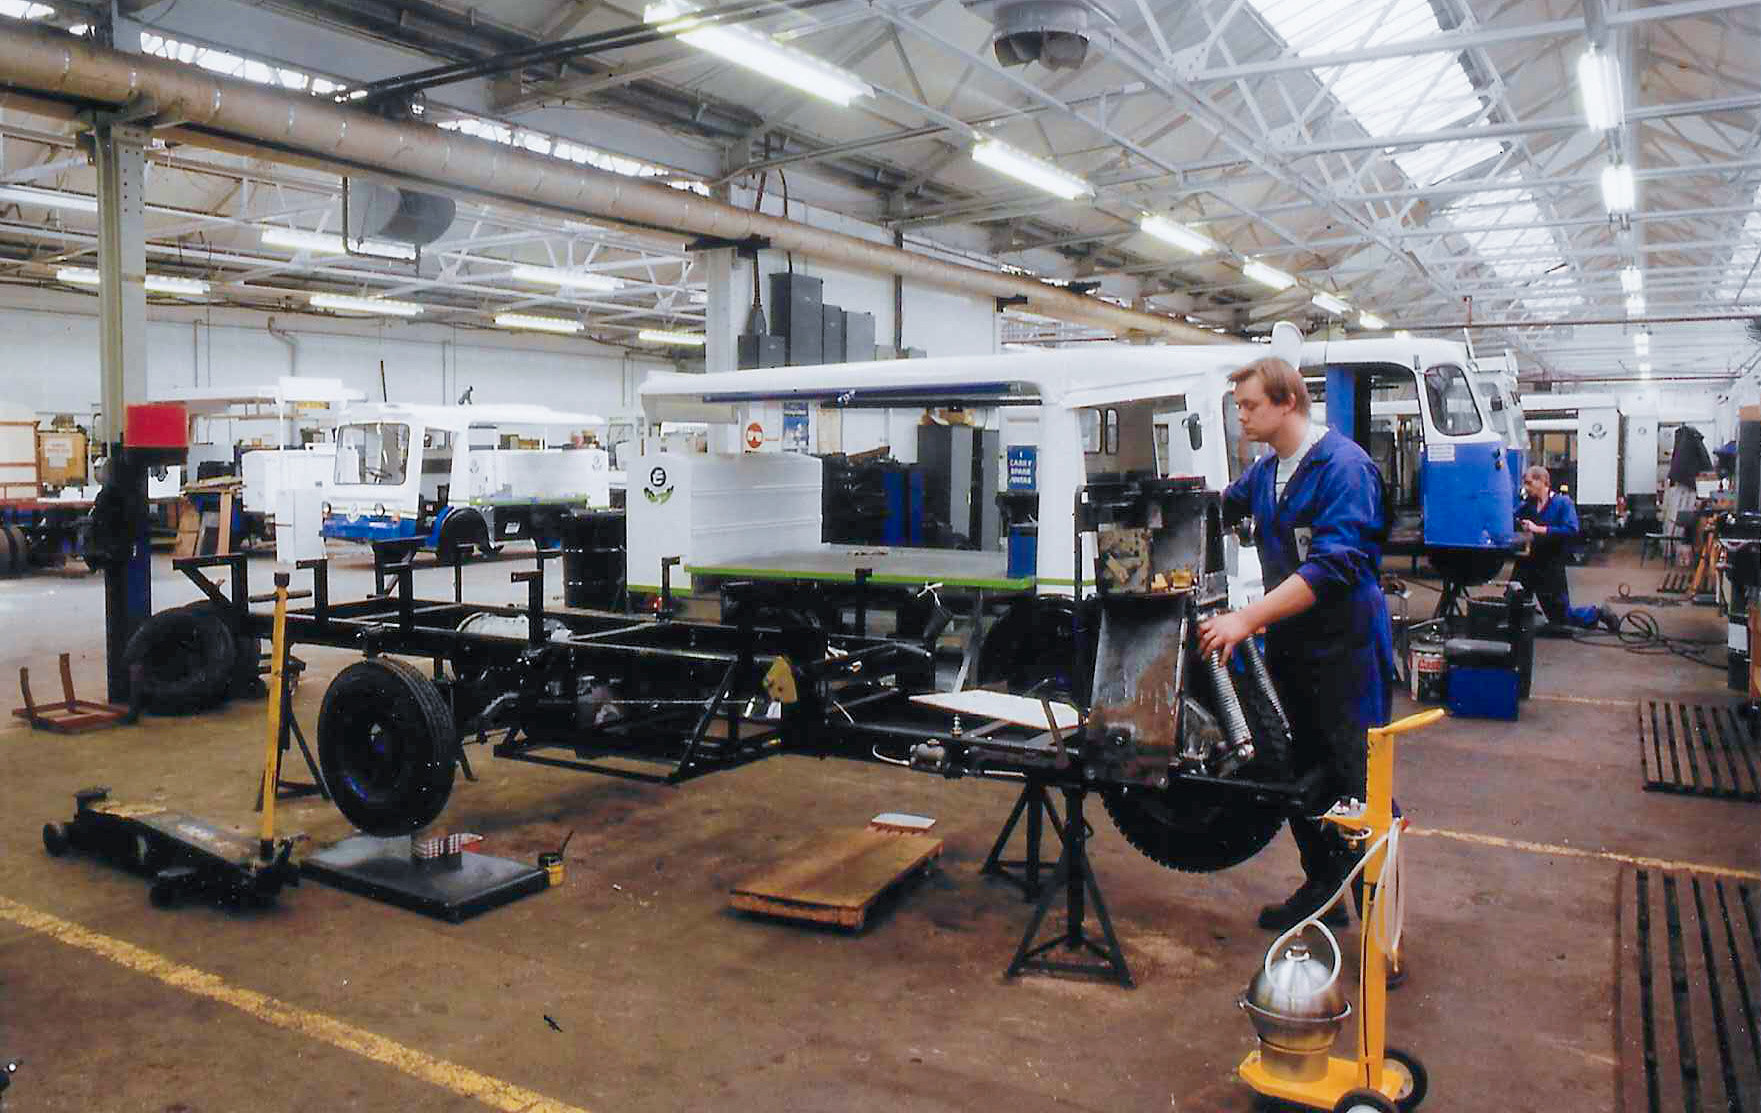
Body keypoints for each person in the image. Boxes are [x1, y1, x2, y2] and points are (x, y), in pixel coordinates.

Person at [1197, 357, 1394, 933]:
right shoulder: (1267, 473)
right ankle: (1323, 890)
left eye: (1250, 406)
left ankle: (1383, 922)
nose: (1241, 418)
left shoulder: (1343, 468)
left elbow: (1334, 567)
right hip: (1293, 648)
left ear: (1287, 402)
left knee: (1359, 782)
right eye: (1237, 407)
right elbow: (1217, 509)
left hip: (1346, 649)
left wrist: (1245, 619)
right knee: (1300, 773)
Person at [1514, 465, 1619, 634]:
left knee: (1561, 617)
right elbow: (1512, 516)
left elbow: (1571, 529)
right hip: (1528, 563)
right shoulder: (1528, 505)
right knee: (1513, 599)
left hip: (1550, 566)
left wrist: (1538, 529)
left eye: (1529, 483)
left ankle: (1597, 613)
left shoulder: (1562, 503)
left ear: (1542, 482)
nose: (1526, 487)